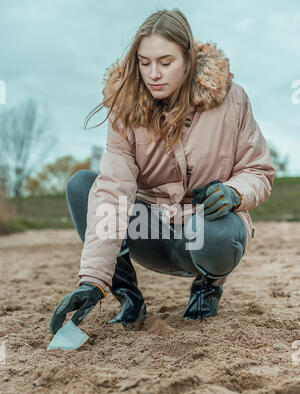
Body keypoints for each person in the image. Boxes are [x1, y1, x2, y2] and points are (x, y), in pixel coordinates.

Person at [49, 8, 275, 335]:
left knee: (217, 230)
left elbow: (258, 170)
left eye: (165, 62)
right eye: (144, 62)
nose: (153, 73)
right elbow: (113, 190)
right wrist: (93, 280)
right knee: (83, 185)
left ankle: (208, 287)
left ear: (188, 58)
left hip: (204, 234)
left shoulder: (233, 99)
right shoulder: (125, 112)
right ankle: (128, 299)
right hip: (149, 231)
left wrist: (233, 192)